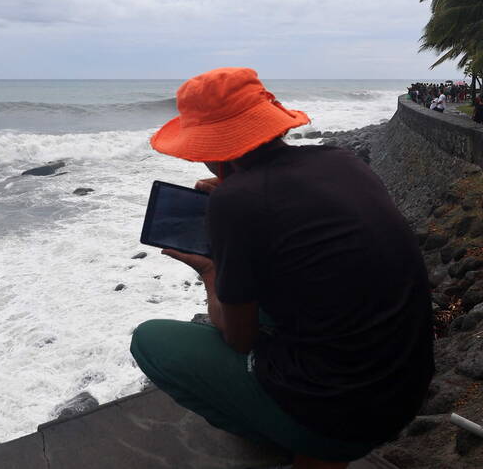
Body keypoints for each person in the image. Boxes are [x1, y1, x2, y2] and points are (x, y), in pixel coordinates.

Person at [130, 68, 434, 469]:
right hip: (405, 390)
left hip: (339, 420)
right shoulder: (340, 160)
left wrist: (208, 270)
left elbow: (239, 339)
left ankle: (289, 435)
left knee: (150, 340)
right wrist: (239, 196)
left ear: (208, 147)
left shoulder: (235, 202)